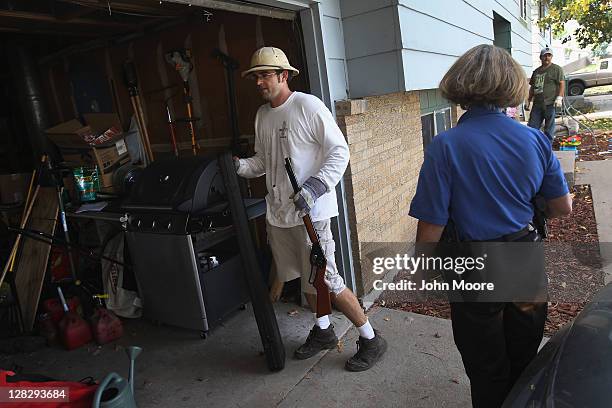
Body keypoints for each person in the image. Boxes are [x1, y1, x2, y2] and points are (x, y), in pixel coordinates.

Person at [409, 44, 572, 407]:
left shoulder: (445, 145)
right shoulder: (534, 139)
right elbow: (563, 208)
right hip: (524, 260)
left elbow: (432, 224)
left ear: (460, 84)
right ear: (511, 87)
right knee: (524, 356)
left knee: (486, 366)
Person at [235, 46, 387, 371]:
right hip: (279, 215)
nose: (259, 81)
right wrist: (238, 166)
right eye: (255, 76)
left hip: (311, 215)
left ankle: (371, 338)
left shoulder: (307, 106)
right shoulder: (263, 115)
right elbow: (263, 161)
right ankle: (323, 332)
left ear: (283, 75)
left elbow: (340, 152)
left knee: (327, 279)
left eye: (265, 74)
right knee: (308, 280)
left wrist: (315, 187)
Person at [526, 47, 565, 142]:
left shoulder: (556, 69)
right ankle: (533, 145)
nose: (547, 57)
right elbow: (532, 87)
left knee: (549, 129)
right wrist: (529, 100)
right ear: (541, 57)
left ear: (551, 57)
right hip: (537, 104)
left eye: (549, 55)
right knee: (532, 127)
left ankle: (548, 147)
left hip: (550, 103)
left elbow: (562, 83)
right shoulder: (536, 72)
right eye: (545, 55)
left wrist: (559, 97)